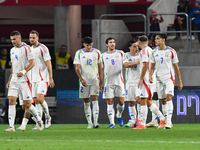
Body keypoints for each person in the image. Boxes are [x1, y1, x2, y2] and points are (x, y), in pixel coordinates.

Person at [4, 31, 43, 132]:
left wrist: (24, 71)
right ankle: (11, 127)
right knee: (11, 100)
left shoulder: (26, 48)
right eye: (11, 39)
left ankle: (39, 120)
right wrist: (10, 79)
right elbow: (13, 65)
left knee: (27, 104)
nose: (13, 41)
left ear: (19, 38)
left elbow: (32, 62)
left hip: (25, 79)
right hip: (14, 80)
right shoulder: (12, 50)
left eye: (14, 39)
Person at [17, 30, 55, 130]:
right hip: (32, 79)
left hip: (42, 78)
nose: (32, 39)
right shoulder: (28, 49)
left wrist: (50, 78)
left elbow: (49, 64)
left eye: (33, 38)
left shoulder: (43, 48)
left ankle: (47, 117)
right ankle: (39, 124)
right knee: (36, 102)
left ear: (38, 38)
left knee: (40, 99)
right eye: (30, 38)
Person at [150, 33, 183, 129]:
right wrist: (150, 76)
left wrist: (180, 81)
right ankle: (166, 121)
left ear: (163, 40)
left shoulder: (171, 51)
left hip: (169, 78)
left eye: (158, 38)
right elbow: (152, 67)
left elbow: (176, 67)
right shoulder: (154, 52)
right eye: (155, 39)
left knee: (169, 97)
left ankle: (168, 122)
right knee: (163, 100)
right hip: (158, 79)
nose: (156, 40)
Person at [133, 35, 166, 130]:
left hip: (146, 79)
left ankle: (142, 124)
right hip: (151, 78)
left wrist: (141, 78)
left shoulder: (143, 51)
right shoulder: (151, 50)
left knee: (143, 99)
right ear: (147, 42)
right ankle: (161, 118)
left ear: (139, 43)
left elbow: (145, 65)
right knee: (146, 101)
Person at [74, 37, 102, 129]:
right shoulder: (79, 53)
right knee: (86, 101)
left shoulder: (97, 52)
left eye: (90, 45)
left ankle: (96, 122)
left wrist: (100, 80)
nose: (89, 47)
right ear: (84, 44)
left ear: (92, 44)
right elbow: (77, 68)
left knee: (95, 99)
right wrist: (81, 79)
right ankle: (89, 122)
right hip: (84, 80)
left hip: (94, 80)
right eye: (87, 45)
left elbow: (99, 67)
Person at [101, 37, 125, 128]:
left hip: (119, 81)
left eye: (114, 42)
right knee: (110, 102)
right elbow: (100, 68)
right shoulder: (103, 56)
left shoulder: (121, 53)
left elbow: (126, 63)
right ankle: (112, 123)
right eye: (110, 42)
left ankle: (118, 115)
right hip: (108, 82)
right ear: (107, 44)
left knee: (121, 102)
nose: (112, 44)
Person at [123, 39, 141, 128]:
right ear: (130, 47)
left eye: (137, 46)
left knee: (140, 101)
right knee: (131, 102)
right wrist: (136, 62)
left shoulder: (141, 55)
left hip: (139, 82)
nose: (136, 48)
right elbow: (126, 65)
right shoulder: (126, 55)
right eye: (134, 46)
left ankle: (139, 121)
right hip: (130, 82)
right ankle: (132, 121)